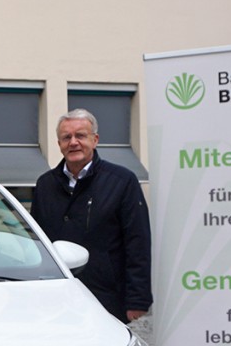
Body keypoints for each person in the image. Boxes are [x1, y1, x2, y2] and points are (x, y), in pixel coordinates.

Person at [30, 108, 152, 324]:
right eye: (66, 137)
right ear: (59, 144)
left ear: (95, 140)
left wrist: (137, 301)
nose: (73, 142)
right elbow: (38, 244)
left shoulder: (122, 181)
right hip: (59, 298)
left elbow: (138, 243)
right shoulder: (45, 184)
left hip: (107, 298)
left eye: (80, 136)